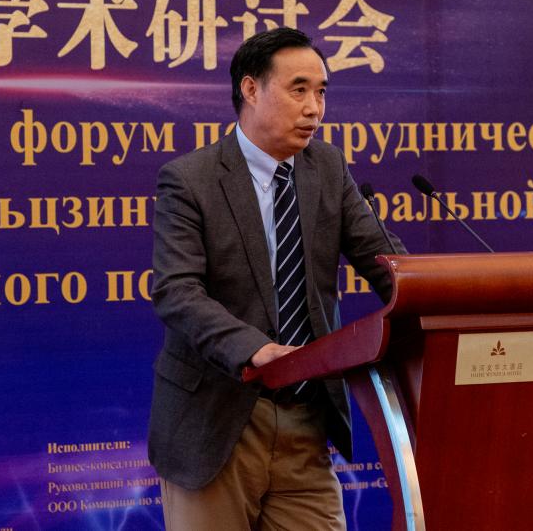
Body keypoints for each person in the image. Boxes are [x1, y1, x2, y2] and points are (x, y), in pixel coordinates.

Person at [149, 27, 404, 530]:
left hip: (305, 420)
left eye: (321, 92)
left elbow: (382, 259)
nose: (314, 109)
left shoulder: (327, 167)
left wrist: (435, 299)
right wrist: (257, 350)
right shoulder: (190, 179)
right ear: (251, 89)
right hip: (217, 420)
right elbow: (176, 291)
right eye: (299, 89)